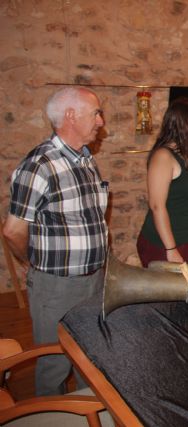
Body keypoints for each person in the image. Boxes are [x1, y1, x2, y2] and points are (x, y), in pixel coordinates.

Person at [2, 87, 108, 396]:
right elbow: (12, 230)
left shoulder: (85, 160)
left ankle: (90, 413)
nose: (101, 121)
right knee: (54, 362)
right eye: (95, 113)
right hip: (57, 285)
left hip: (93, 280)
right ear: (71, 116)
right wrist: (31, 263)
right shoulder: (39, 165)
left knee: (91, 356)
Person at [136, 99, 188, 267]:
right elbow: (156, 206)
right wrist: (171, 248)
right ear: (186, 123)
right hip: (167, 243)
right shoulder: (163, 156)